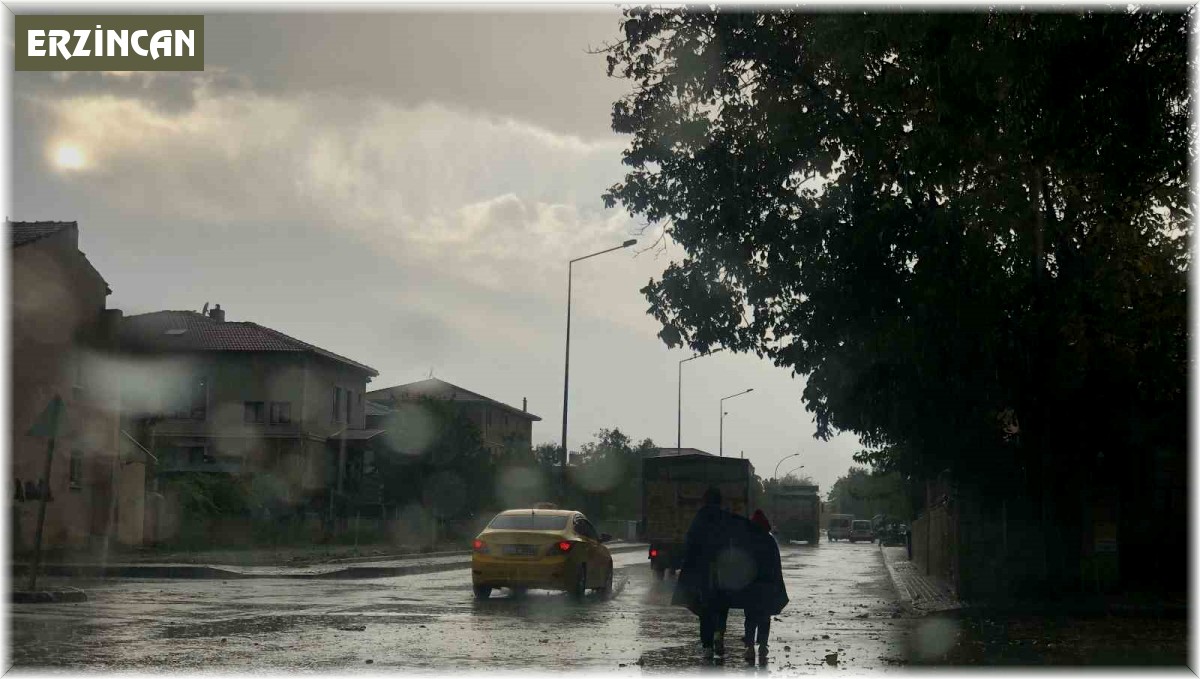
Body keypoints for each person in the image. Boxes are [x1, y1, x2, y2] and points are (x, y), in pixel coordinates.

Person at [672, 486, 736, 659]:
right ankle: (719, 636)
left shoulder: (700, 517)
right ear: (720, 500)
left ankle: (707, 646)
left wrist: (686, 565)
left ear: (705, 500)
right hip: (723, 570)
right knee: (722, 605)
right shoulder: (726, 517)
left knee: (705, 608)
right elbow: (735, 542)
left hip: (703, 571)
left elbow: (690, 542)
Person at [736, 509, 789, 662]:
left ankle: (750, 647)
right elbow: (776, 566)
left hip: (751, 587)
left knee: (750, 617)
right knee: (764, 617)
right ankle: (763, 646)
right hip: (767, 587)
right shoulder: (770, 541)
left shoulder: (746, 541)